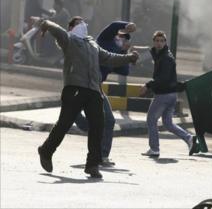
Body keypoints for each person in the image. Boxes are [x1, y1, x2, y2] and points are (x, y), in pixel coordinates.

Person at [36, 16, 139, 178]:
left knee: (98, 125)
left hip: (94, 90)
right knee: (64, 123)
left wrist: (129, 57)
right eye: (78, 23)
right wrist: (46, 24)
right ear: (71, 27)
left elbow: (109, 57)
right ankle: (46, 150)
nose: (83, 25)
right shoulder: (69, 40)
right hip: (75, 88)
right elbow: (57, 30)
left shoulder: (92, 44)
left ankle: (92, 164)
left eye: (83, 22)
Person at [74, 21, 136, 167]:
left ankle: (102, 156)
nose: (121, 38)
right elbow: (113, 26)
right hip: (82, 84)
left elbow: (124, 71)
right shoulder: (104, 40)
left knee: (108, 121)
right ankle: (74, 116)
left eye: (125, 38)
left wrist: (125, 53)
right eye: (120, 35)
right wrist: (127, 25)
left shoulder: (116, 53)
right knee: (86, 120)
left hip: (97, 88)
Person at [139, 31, 196, 157]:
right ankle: (189, 139)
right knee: (168, 123)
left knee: (151, 119)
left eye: (161, 41)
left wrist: (147, 85)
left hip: (164, 95)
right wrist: (136, 48)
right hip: (171, 95)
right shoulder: (160, 53)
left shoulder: (166, 58)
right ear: (154, 42)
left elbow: (163, 79)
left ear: (165, 42)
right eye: (157, 41)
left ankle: (154, 149)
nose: (159, 43)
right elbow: (151, 51)